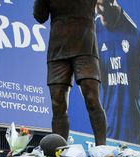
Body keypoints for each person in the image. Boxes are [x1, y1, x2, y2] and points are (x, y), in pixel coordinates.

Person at [34, 0, 107, 146]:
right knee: (57, 104)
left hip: (85, 48)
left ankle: (101, 148)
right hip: (58, 51)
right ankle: (59, 150)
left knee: (92, 98)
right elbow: (40, 16)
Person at [95, 0, 140, 149]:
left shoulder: (134, 35)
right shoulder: (94, 31)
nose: (96, 11)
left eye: (99, 6)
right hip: (108, 136)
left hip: (134, 137)